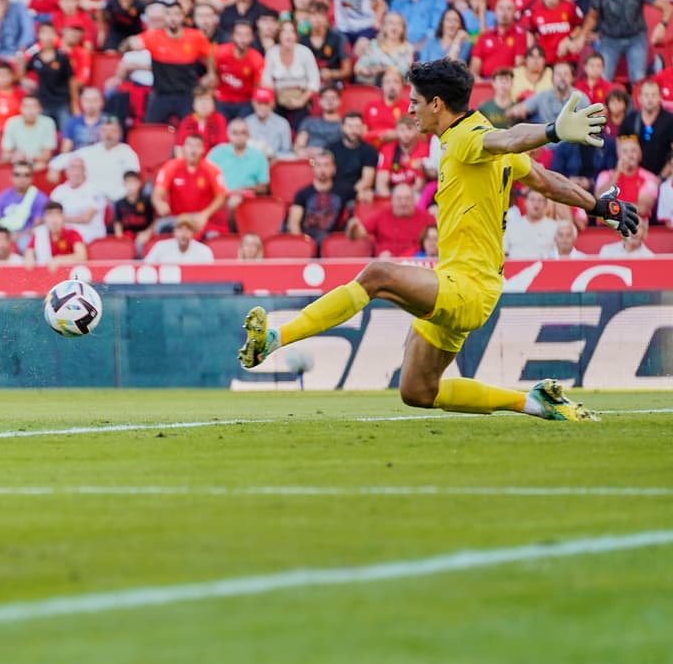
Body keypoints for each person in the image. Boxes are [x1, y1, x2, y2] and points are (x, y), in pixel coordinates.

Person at [239, 57, 639, 421]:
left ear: (436, 104)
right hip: (461, 280)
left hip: (466, 288)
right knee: (417, 391)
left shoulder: (467, 138)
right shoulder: (466, 137)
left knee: (378, 273)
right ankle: (535, 403)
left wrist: (552, 131)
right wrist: (598, 207)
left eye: (415, 101)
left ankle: (275, 339)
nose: (409, 109)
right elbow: (544, 179)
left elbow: (511, 138)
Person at [348, 183, 435, 257]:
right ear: (392, 200)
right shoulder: (381, 215)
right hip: (386, 267)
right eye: (399, 199)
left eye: (407, 198)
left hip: (416, 266)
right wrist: (353, 227)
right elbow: (356, 235)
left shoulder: (427, 218)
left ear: (414, 200)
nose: (403, 203)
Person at [503, 190, 558, 259]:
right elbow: (504, 254)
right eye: (532, 199)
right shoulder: (511, 227)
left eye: (540, 200)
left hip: (546, 268)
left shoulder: (555, 227)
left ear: (546, 204)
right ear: (525, 202)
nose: (536, 203)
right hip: (516, 268)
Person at [144, 215, 214, 263]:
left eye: (188, 229)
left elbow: (211, 276)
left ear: (193, 233)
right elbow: (146, 268)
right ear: (174, 231)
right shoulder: (160, 247)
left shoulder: (204, 251)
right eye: (180, 229)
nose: (183, 234)